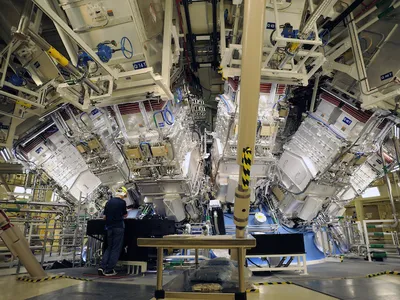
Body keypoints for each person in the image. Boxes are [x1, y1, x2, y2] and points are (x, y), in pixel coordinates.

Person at [98, 186, 128, 276]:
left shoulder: (109, 202)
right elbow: (125, 215)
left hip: (109, 227)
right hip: (118, 227)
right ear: (123, 194)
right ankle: (109, 269)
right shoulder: (122, 202)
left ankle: (102, 267)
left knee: (109, 247)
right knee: (116, 248)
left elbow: (104, 216)